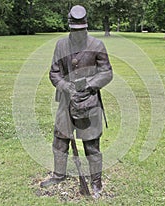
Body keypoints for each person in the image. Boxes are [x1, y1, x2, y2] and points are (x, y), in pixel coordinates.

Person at [40, 5, 113, 197]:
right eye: (74, 30)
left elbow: (107, 72)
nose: (78, 33)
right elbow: (54, 72)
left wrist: (89, 85)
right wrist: (66, 87)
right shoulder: (61, 45)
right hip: (66, 100)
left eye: (81, 30)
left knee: (91, 144)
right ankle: (59, 174)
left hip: (89, 101)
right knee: (60, 140)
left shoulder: (97, 45)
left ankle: (96, 181)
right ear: (70, 27)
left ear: (86, 27)